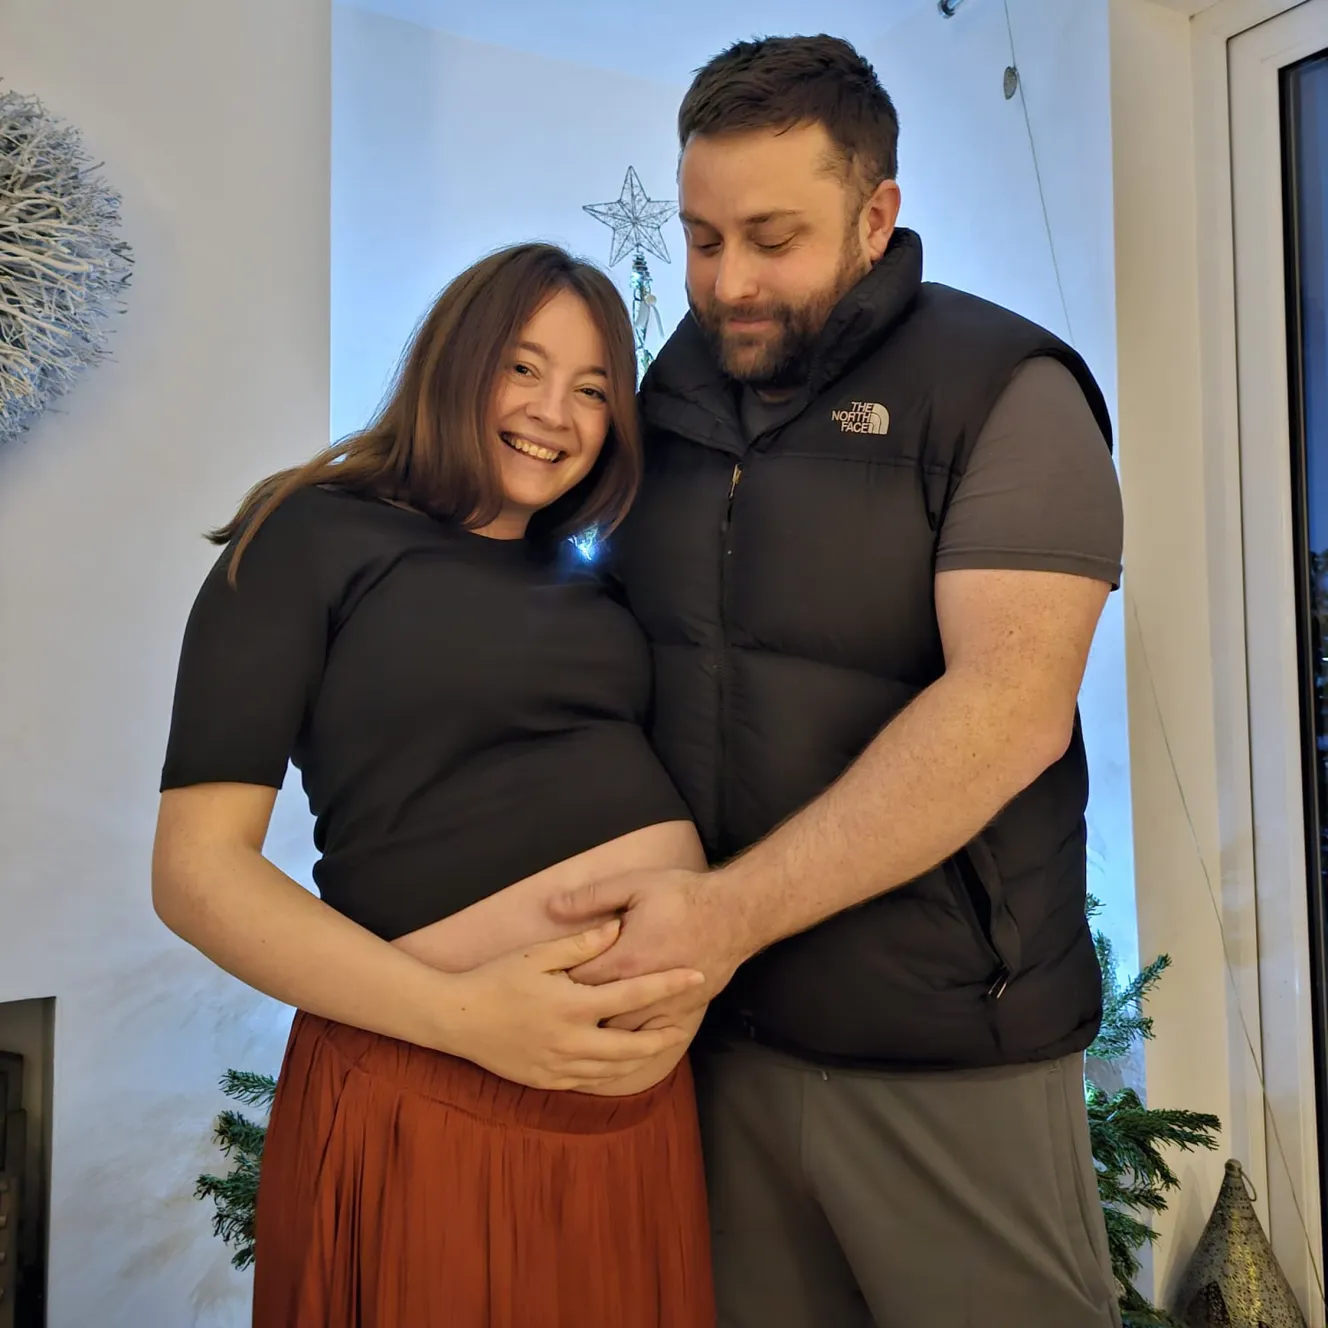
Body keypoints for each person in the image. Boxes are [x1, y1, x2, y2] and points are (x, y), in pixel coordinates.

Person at [549, 35, 1126, 1328]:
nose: (727, 283)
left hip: (943, 1056)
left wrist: (724, 919)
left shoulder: (1007, 391)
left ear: (877, 217)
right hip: (712, 1049)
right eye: (702, 239)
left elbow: (1007, 716)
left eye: (771, 237)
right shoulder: (674, 392)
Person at [151, 244, 716, 1328]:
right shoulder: (309, 533)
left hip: (636, 1122)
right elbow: (195, 873)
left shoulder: (586, 572)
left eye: (594, 389)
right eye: (521, 366)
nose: (555, 411)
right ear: (453, 362)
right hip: (428, 1087)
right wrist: (465, 1018)